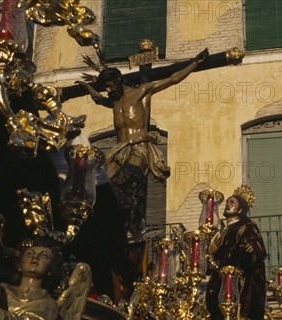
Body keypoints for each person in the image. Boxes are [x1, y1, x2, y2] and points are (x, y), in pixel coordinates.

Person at [77, 48, 209, 241]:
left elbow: (173, 79)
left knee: (130, 175)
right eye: (106, 87)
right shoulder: (114, 101)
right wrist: (86, 86)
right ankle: (114, 221)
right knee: (104, 183)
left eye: (111, 84)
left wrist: (195, 63)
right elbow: (97, 99)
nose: (109, 89)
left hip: (139, 146)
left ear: (119, 80)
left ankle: (135, 220)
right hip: (119, 148)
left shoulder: (139, 92)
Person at [205, 185, 270, 320]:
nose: (228, 205)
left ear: (240, 209)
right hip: (220, 285)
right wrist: (211, 251)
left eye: (232, 203)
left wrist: (250, 248)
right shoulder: (222, 232)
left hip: (238, 286)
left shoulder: (247, 226)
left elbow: (257, 248)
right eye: (227, 202)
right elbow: (212, 263)